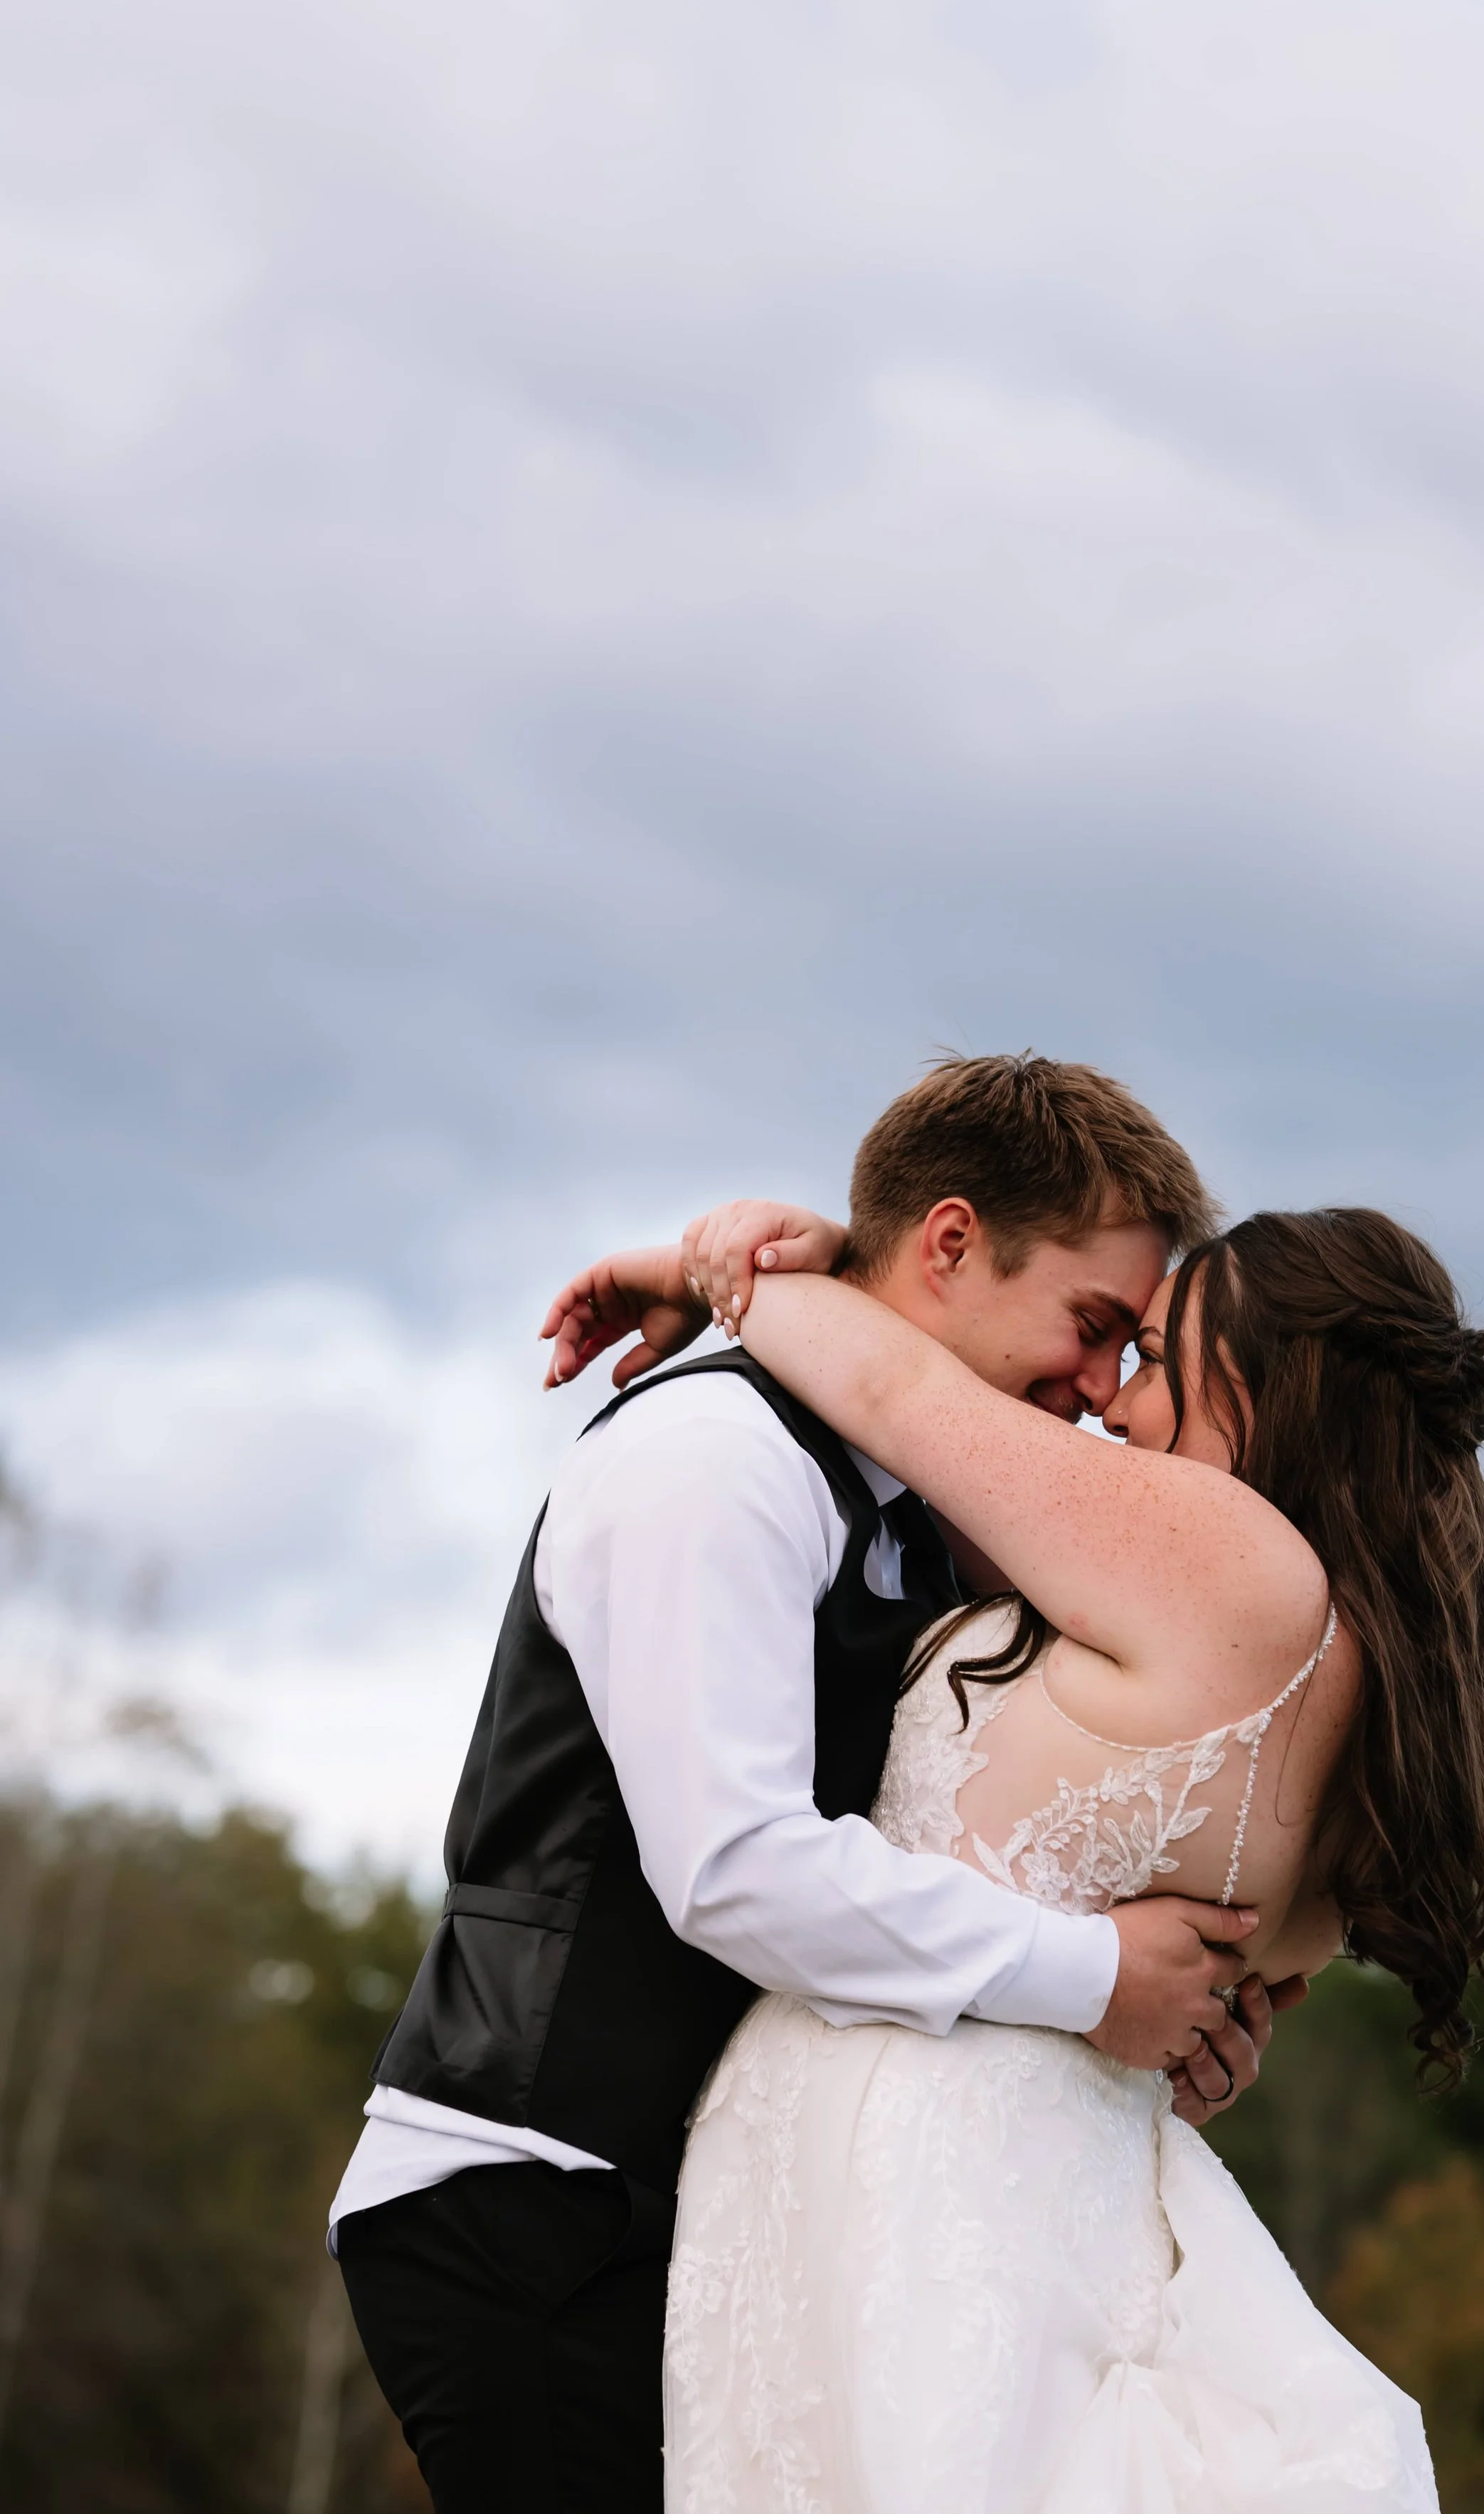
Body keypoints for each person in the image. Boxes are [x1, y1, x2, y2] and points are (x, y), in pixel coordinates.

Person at [330, 1056, 1290, 2514]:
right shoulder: (712, 1457)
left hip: (702, 2216)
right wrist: (1093, 1976)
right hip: (533, 2199)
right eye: (1090, 1329)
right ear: (953, 1244)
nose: (1099, 1393)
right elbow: (738, 1869)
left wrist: (1171, 2028)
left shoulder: (917, 1516)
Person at [572, 1185, 1484, 2510]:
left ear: (1257, 1387)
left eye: (1152, 1356)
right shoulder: (1378, 1701)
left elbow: (903, 1398)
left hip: (910, 2170)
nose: (1113, 1402)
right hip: (1064, 2187)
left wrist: (719, 1263)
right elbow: (1217, 2012)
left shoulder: (1227, 1558)